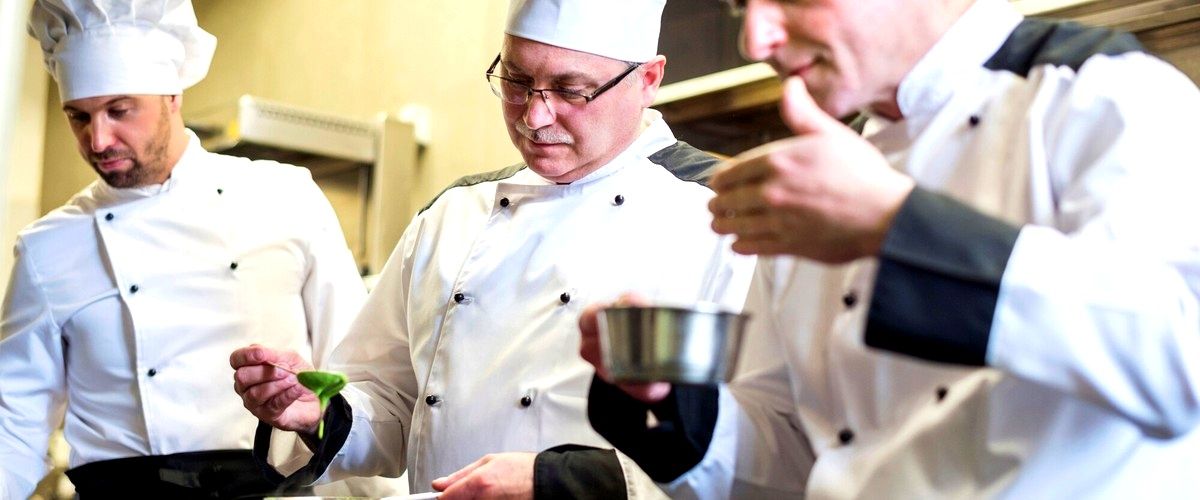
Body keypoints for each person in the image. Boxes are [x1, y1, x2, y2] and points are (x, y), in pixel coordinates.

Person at [581, 0, 1200, 497]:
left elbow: (1182, 359)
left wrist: (896, 227)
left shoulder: (1106, 96)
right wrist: (668, 405)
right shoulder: (823, 171)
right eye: (746, 5)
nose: (757, 39)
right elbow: (798, 452)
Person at [229, 0, 755, 497]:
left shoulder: (727, 218)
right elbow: (389, 402)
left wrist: (556, 486)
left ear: (649, 80)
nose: (535, 116)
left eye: (571, 90)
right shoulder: (452, 216)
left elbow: (751, 445)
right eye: (517, 82)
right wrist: (316, 411)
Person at [0, 1, 391, 498]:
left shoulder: (286, 198)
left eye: (119, 110)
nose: (98, 139)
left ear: (172, 95)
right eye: (79, 116)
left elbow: (356, 377)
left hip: (272, 489)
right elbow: (11, 426)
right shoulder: (47, 248)